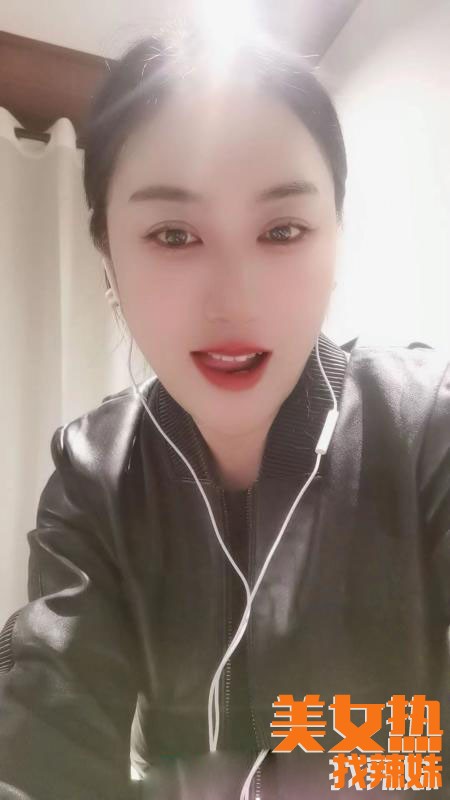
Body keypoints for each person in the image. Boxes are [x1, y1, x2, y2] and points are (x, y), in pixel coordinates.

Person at [0, 26, 449, 800]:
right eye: (174, 235)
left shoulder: (425, 427)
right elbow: (45, 736)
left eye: (282, 231)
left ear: (336, 243)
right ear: (108, 259)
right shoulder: (92, 470)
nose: (234, 301)